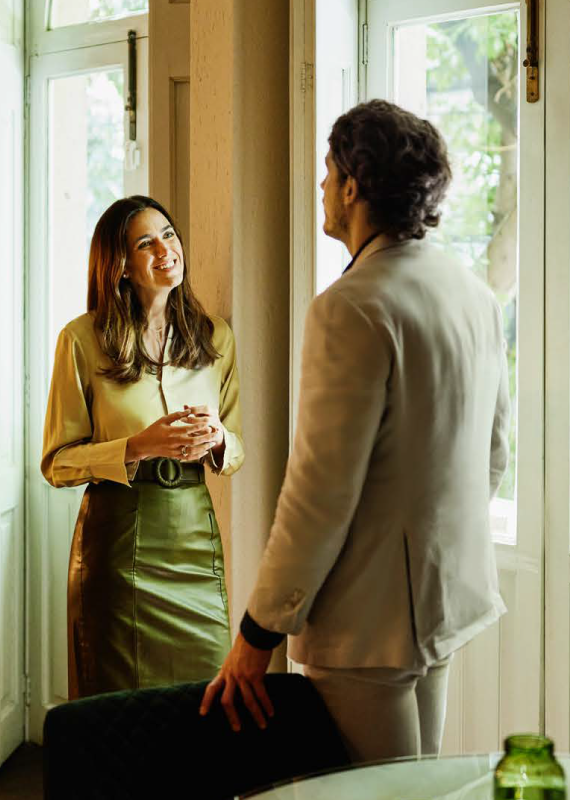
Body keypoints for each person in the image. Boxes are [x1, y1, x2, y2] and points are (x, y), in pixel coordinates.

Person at [200, 100, 509, 762]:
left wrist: (257, 634)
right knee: (422, 784)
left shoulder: (351, 308)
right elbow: (493, 452)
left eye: (327, 169)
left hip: (367, 629)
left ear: (352, 185)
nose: (320, 187)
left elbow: (319, 497)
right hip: (445, 602)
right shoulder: (472, 292)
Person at [42, 195, 244, 700]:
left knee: (205, 695)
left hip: (195, 540)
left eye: (169, 235)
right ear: (121, 266)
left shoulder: (215, 337)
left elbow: (237, 450)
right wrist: (135, 446)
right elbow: (57, 462)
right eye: (146, 242)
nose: (165, 249)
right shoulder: (81, 340)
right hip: (118, 543)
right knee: (119, 704)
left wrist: (219, 439)